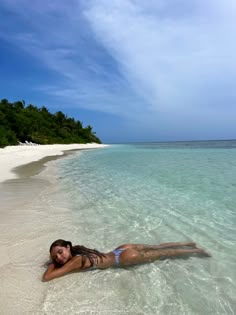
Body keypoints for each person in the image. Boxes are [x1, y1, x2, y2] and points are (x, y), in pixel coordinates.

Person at [42, 239, 210, 281]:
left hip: (123, 259)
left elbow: (47, 277)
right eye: (55, 257)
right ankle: (188, 244)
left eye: (59, 252)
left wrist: (52, 264)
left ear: (68, 248)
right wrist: (55, 260)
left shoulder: (75, 261)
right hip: (121, 249)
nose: (59, 257)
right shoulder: (80, 251)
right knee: (158, 247)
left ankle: (196, 250)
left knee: (165, 254)